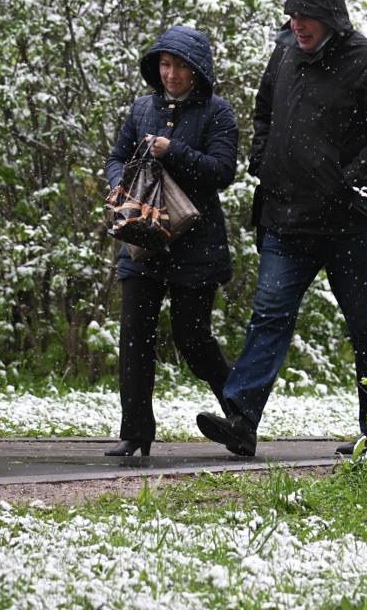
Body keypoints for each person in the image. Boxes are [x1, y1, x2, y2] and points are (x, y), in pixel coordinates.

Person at [195, 0, 367, 457]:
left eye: (306, 17)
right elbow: (264, 111)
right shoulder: (286, 54)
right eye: (292, 16)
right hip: (286, 217)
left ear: (331, 18)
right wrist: (262, 159)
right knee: (269, 316)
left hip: (349, 224)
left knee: (365, 325)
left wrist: (348, 179)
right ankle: (241, 420)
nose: (297, 25)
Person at [104, 26, 238, 457]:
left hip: (196, 246)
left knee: (193, 339)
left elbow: (223, 171)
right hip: (142, 239)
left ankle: (241, 417)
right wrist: (118, 187)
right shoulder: (142, 107)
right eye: (165, 64)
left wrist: (171, 151)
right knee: (134, 336)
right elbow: (116, 158)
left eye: (181, 65)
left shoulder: (218, 113)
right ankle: (135, 432)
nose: (172, 74)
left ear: (198, 70)